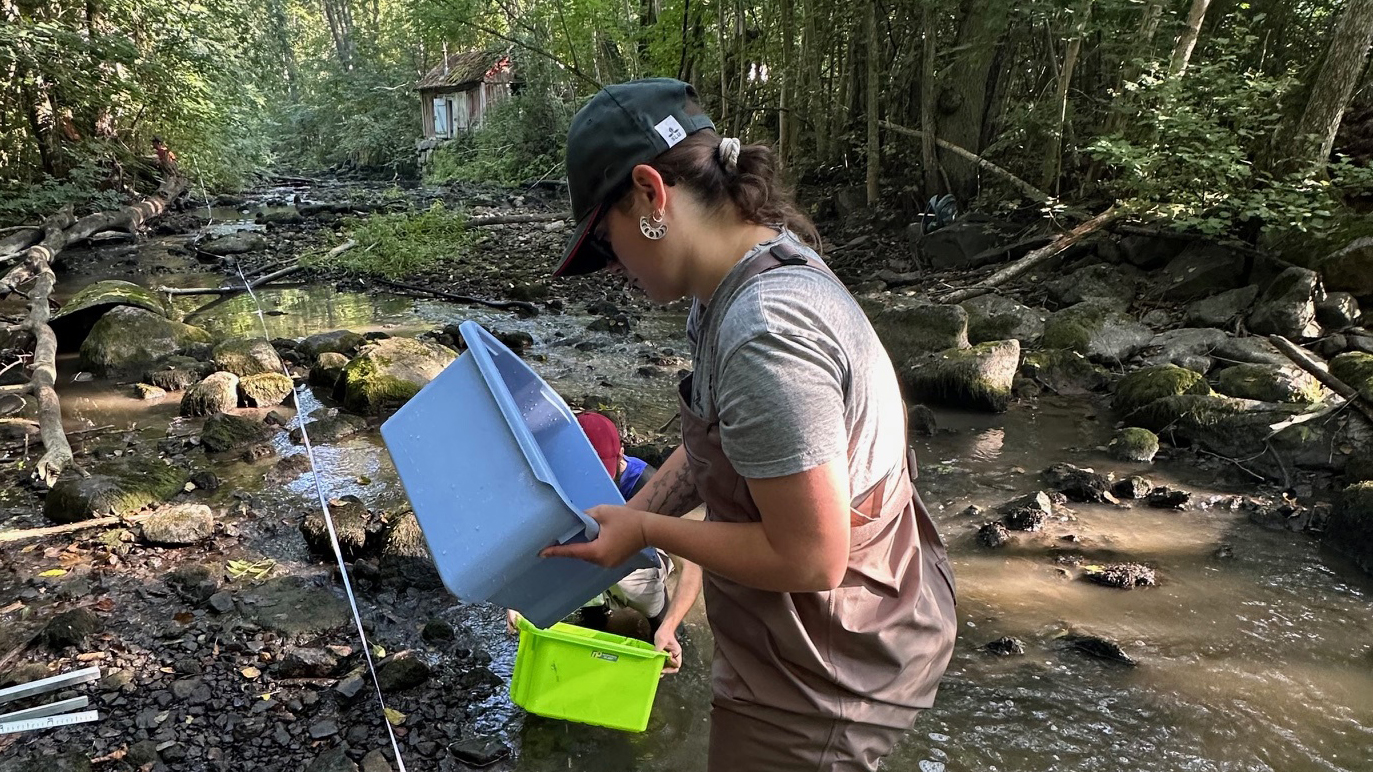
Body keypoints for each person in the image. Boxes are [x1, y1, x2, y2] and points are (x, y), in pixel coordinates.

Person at [540, 79, 957, 771]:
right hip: (829, 636)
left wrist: (645, 532)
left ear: (650, 195)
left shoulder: (767, 330)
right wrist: (621, 518)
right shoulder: (735, 281)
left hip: (829, 671)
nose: (612, 269)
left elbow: (810, 558)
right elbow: (722, 446)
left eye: (606, 244)